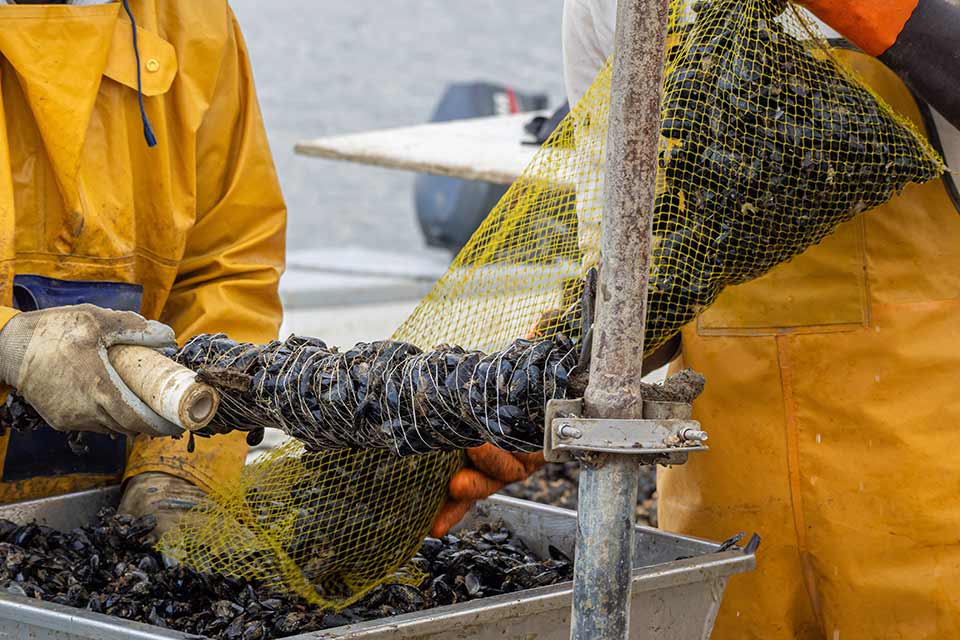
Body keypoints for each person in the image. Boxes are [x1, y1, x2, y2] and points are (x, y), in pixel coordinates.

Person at [560, 0, 960, 638]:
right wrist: (513, 399)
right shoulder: (615, 8)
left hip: (934, 505)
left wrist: (890, 17)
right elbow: (626, 287)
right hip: (725, 511)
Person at [0, 0, 285, 540]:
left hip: (110, 509)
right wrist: (8, 342)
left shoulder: (194, 19)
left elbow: (230, 267)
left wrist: (179, 471)